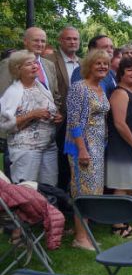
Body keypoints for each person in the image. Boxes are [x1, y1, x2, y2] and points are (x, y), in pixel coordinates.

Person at [65, 49, 111, 251]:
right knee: (82, 191)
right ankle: (80, 238)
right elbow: (73, 121)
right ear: (88, 66)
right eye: (98, 63)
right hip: (82, 147)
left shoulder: (101, 88)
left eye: (106, 64)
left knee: (93, 191)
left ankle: (85, 233)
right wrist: (82, 150)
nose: (103, 67)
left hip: (98, 147)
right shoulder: (79, 88)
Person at [0, 50, 62, 185]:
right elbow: (4, 125)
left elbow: (51, 109)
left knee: (49, 190)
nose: (35, 66)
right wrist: (32, 114)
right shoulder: (13, 92)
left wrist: (56, 116)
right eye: (29, 64)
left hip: (49, 147)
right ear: (18, 69)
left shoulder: (42, 87)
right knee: (27, 190)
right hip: (26, 150)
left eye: (35, 63)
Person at [105, 56, 132, 237]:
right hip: (124, 147)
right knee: (121, 186)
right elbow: (119, 123)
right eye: (129, 70)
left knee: (130, 184)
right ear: (120, 73)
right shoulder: (120, 93)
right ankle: (117, 224)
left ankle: (125, 219)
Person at [44, 26, 80, 191]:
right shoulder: (49, 61)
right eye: (68, 38)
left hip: (79, 122)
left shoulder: (83, 63)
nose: (72, 42)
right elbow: (46, 89)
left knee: (74, 161)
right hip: (59, 120)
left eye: (75, 39)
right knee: (59, 163)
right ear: (60, 41)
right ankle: (59, 200)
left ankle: (71, 199)